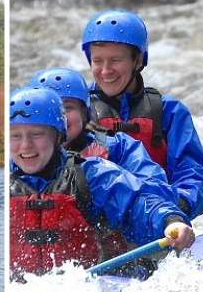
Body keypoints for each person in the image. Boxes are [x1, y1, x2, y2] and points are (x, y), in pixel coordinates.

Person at [8, 86, 195, 280]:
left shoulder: (92, 174)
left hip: (103, 284)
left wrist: (171, 221)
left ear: (58, 136)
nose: (25, 145)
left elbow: (140, 203)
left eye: (37, 134)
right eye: (15, 136)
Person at [80, 10, 203, 219]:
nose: (105, 71)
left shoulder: (170, 112)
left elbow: (195, 178)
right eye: (97, 61)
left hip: (154, 220)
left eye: (115, 60)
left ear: (138, 60)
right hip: (96, 228)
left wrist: (175, 208)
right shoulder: (75, 112)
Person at [30, 67, 175, 204]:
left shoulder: (120, 148)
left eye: (67, 108)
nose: (58, 117)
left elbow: (155, 190)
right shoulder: (20, 159)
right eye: (47, 108)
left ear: (84, 113)